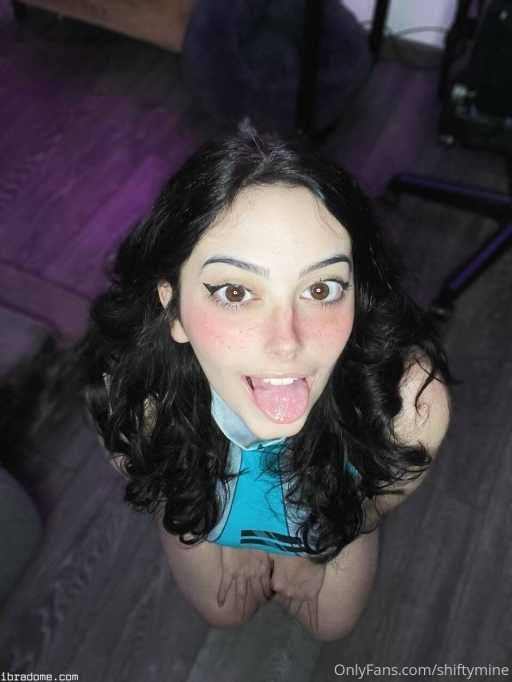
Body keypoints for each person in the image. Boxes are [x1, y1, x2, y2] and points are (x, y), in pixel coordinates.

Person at [79, 130, 451, 642]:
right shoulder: (137, 393)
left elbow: (382, 496)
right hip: (200, 495)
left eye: (320, 288)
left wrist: (319, 542)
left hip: (333, 507)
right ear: (174, 308)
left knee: (332, 626)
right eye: (235, 292)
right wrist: (216, 527)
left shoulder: (408, 400)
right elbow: (145, 472)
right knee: (225, 613)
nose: (286, 342)